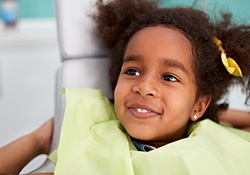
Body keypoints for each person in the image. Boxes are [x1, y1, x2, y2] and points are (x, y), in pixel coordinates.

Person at [1, 0, 250, 174]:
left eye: (169, 77)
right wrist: (38, 140)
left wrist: (207, 113)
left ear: (199, 104)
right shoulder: (95, 148)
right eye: (132, 71)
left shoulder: (212, 141)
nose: (144, 87)